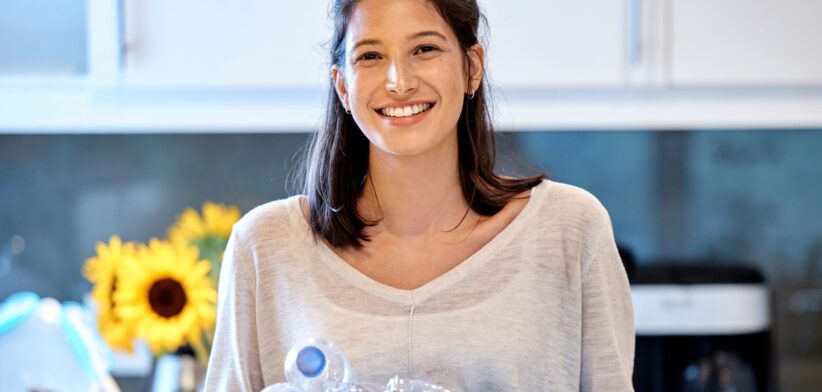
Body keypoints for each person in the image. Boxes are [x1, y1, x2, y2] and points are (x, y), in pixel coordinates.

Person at [204, 0, 635, 390]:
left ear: (472, 68)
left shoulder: (569, 230)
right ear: (342, 87)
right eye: (370, 56)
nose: (399, 82)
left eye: (424, 49)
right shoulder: (264, 247)